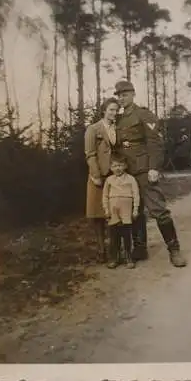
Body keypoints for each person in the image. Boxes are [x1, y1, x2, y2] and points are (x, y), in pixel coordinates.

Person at [114, 80, 187, 267]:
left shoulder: (144, 114)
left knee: (158, 210)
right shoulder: (120, 119)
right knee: (135, 211)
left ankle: (174, 250)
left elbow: (155, 142)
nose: (121, 99)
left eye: (125, 95)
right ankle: (140, 248)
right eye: (119, 95)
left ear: (133, 94)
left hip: (145, 171)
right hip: (128, 173)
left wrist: (154, 167)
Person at [84, 97, 119, 262]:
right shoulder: (93, 129)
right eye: (111, 109)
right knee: (98, 215)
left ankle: (114, 250)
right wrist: (96, 175)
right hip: (97, 176)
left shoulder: (117, 129)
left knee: (112, 213)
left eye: (116, 110)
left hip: (114, 176)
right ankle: (101, 250)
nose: (114, 113)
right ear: (104, 110)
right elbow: (90, 154)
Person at [102, 153, 140, 269]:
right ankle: (115, 257)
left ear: (125, 166)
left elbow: (136, 194)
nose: (117, 168)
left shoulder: (131, 179)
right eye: (114, 166)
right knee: (114, 235)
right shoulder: (109, 180)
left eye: (120, 165)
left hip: (126, 210)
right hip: (113, 210)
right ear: (110, 167)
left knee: (126, 234)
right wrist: (106, 210)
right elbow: (105, 196)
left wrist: (135, 209)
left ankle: (128, 257)